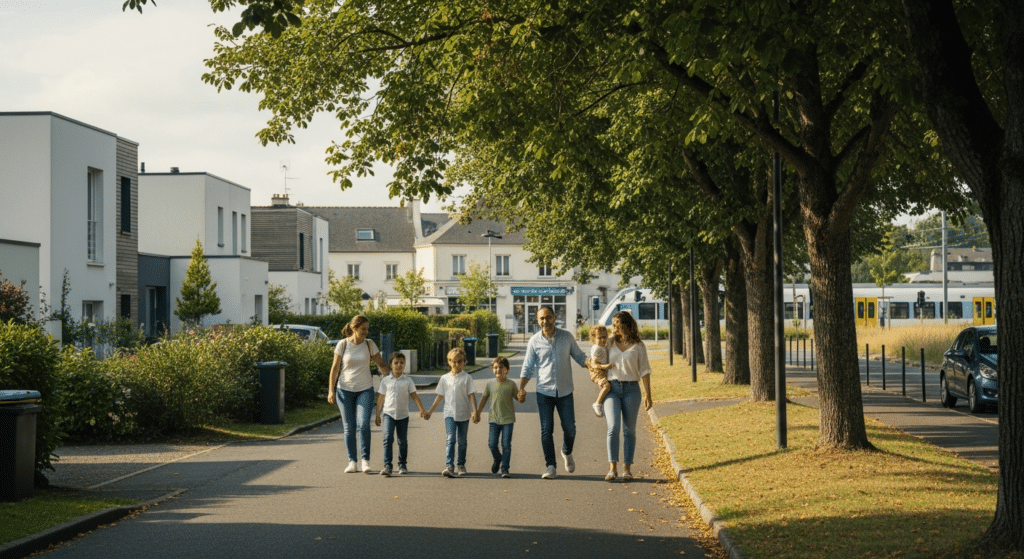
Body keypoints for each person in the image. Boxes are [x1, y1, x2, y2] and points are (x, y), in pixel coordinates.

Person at [518, 305, 587, 479]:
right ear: (538, 320)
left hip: (565, 391)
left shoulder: (567, 337)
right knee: (546, 430)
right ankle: (550, 466)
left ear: (554, 317)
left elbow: (580, 357)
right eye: (541, 318)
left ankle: (566, 451)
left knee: (570, 428)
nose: (545, 321)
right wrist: (521, 388)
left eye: (548, 317)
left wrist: (594, 364)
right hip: (544, 391)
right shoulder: (534, 341)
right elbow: (527, 367)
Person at [327, 315, 391, 474]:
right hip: (344, 390)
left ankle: (365, 461)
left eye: (367, 329)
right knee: (349, 427)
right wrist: (331, 390)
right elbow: (335, 368)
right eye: (363, 329)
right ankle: (352, 462)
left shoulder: (369, 344)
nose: (366, 332)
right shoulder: (342, 345)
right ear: (354, 328)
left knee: (363, 424)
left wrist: (392, 382)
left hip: (365, 389)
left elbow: (381, 365)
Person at [600, 311, 653, 482]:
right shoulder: (608, 343)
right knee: (613, 426)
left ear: (628, 325)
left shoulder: (638, 346)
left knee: (629, 430)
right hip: (612, 388)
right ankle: (612, 468)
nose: (615, 327)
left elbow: (644, 370)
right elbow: (596, 359)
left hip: (632, 389)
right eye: (613, 324)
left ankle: (627, 469)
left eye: (618, 324)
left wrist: (648, 395)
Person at [424, 347, 477, 477]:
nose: (457, 364)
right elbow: (439, 396)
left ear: (465, 362)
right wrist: (430, 411)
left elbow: (471, 395)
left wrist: (475, 411)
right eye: (454, 361)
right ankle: (449, 465)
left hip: (464, 414)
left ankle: (461, 464)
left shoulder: (467, 378)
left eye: (460, 361)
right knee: (451, 438)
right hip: (449, 414)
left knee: (462, 440)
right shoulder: (444, 378)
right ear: (449, 362)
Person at [374, 352, 426, 477]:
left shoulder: (408, 381)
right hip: (388, 414)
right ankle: (387, 465)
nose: (399, 365)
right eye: (396, 363)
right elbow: (381, 398)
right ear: (391, 365)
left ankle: (402, 464)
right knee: (387, 438)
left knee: (402, 441)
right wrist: (377, 415)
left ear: (405, 365)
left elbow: (414, 396)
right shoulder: (386, 381)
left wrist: (422, 410)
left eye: (402, 363)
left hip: (403, 415)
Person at [474, 356, 518, 478]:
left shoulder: (511, 384)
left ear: (507, 369)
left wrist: (522, 396)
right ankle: (498, 458)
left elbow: (518, 399)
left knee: (506, 444)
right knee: (492, 444)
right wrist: (477, 412)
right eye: (495, 367)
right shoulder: (490, 384)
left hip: (508, 419)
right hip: (494, 419)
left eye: (500, 367)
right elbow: (483, 399)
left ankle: (505, 469)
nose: (497, 370)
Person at [587, 325, 614, 418]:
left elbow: (611, 338)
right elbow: (594, 365)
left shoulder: (603, 345)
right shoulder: (596, 348)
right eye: (599, 338)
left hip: (603, 370)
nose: (602, 340)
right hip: (597, 372)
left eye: (604, 337)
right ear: (593, 339)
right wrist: (606, 366)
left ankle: (606, 405)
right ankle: (597, 403)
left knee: (608, 386)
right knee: (607, 386)